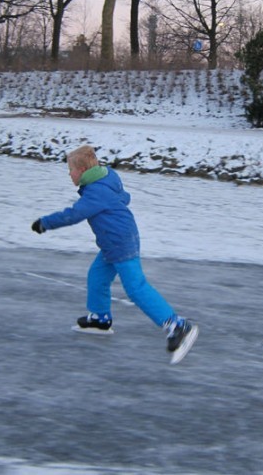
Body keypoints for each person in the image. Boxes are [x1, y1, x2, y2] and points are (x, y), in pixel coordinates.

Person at [31, 145, 199, 363]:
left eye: (70, 170)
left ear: (81, 170)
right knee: (97, 277)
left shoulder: (96, 192)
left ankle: (177, 325)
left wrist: (45, 223)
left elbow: (74, 214)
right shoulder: (105, 180)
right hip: (113, 243)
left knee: (136, 288)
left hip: (121, 243)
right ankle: (100, 319)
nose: (68, 174)